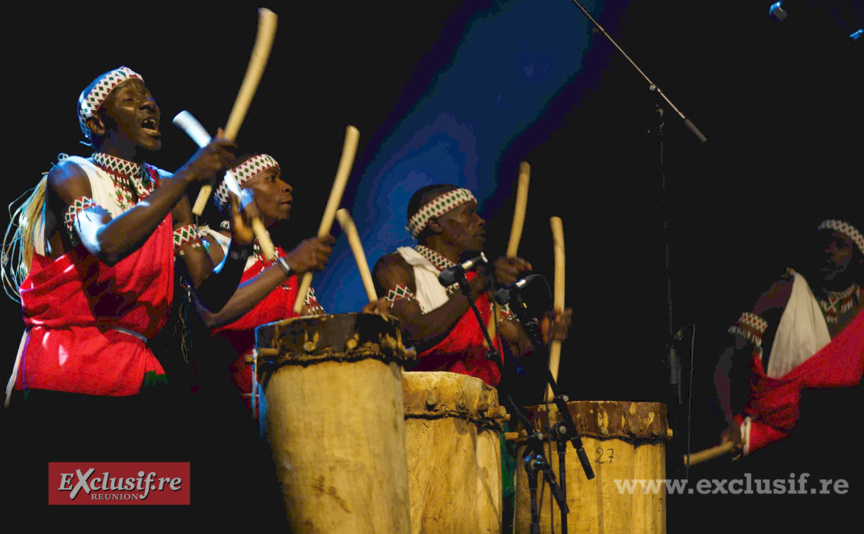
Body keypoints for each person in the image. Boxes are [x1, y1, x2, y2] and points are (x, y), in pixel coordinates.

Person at [1, 66, 254, 451]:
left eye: (149, 96)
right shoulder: (71, 174)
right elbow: (106, 244)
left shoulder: (169, 190)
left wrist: (239, 247)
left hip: (136, 372)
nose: (149, 104)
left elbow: (209, 299)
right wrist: (186, 174)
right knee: (65, 498)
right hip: (65, 367)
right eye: (131, 99)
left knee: (149, 498)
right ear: (100, 123)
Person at [372, 183, 571, 390]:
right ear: (434, 223)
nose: (481, 221)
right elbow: (414, 334)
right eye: (469, 214)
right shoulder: (398, 266)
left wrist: (543, 335)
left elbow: (519, 347)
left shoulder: (478, 280)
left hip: (481, 410)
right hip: (426, 408)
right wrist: (480, 283)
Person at [714, 217, 864, 460]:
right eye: (823, 243)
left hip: (838, 444)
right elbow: (728, 356)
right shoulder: (785, 291)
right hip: (766, 438)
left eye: (840, 245)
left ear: (859, 258)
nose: (829, 251)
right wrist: (727, 420)